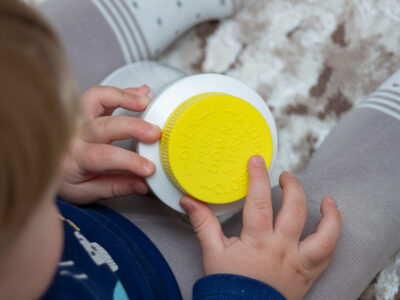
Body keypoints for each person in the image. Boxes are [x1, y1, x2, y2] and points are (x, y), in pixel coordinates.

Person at [1, 1, 399, 300]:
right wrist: (247, 289)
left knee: (31, 58)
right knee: (328, 235)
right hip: (179, 280)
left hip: (96, 193)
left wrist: (50, 165)